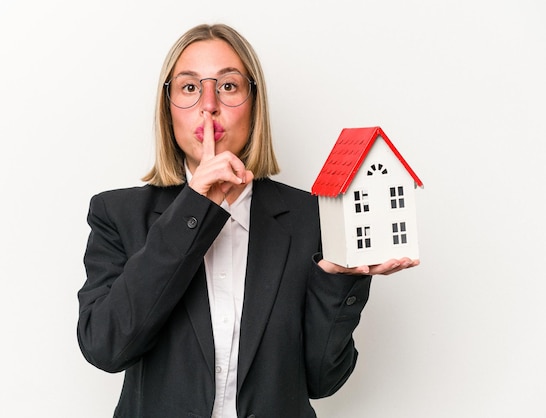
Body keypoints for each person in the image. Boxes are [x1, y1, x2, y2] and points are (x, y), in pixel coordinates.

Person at [77, 23, 418, 418]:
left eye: (228, 86)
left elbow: (323, 380)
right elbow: (105, 346)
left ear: (254, 103)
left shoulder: (312, 217)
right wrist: (194, 209)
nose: (209, 104)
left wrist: (338, 278)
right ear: (166, 108)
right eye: (189, 88)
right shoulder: (117, 215)